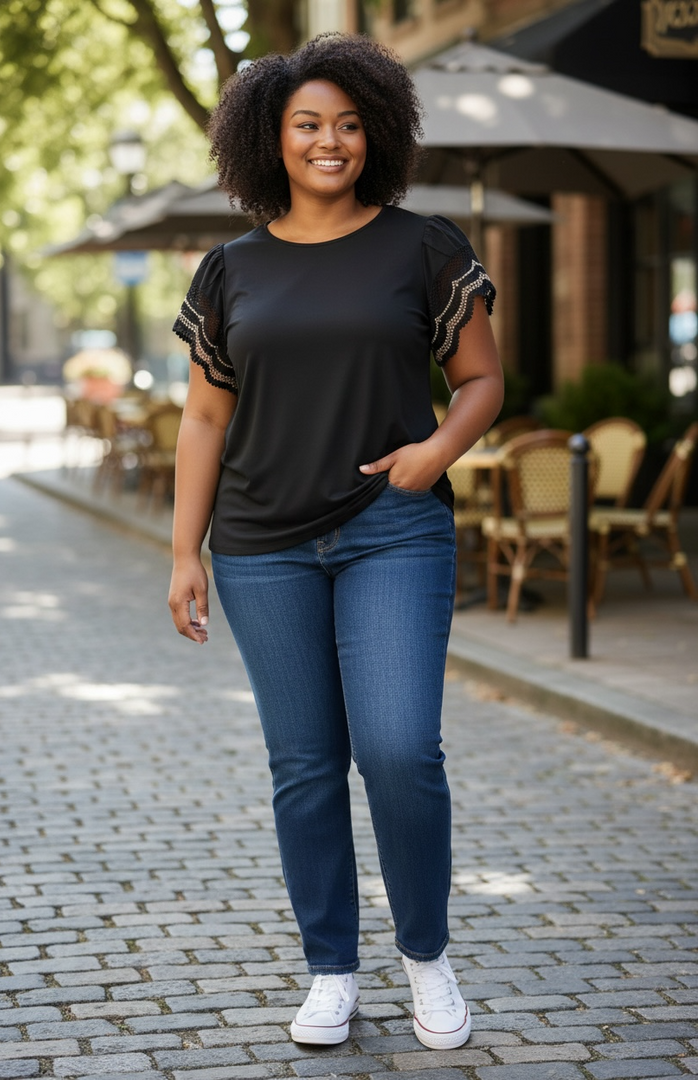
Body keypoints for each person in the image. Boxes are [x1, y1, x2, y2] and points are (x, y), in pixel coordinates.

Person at [169, 32, 503, 1052]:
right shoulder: (230, 269)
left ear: (378, 133)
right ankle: (329, 971)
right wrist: (185, 552)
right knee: (305, 765)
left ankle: (427, 959)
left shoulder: (423, 246)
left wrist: (433, 453)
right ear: (271, 139)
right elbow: (203, 422)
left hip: (391, 530)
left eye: (349, 124)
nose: (331, 141)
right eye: (308, 124)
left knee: (401, 750)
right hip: (262, 545)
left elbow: (483, 382)